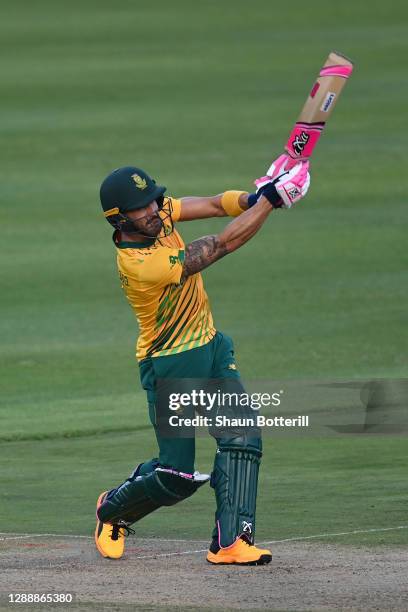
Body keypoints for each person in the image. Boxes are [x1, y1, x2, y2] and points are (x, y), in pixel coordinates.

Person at [95, 156, 310, 565]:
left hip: (209, 346)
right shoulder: (140, 264)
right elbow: (222, 244)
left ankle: (231, 542)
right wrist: (270, 202)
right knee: (175, 478)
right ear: (119, 219)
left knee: (243, 436)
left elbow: (213, 204)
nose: (155, 210)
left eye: (155, 201)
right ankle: (112, 510)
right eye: (142, 207)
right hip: (171, 365)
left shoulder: (159, 216)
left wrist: (255, 195)